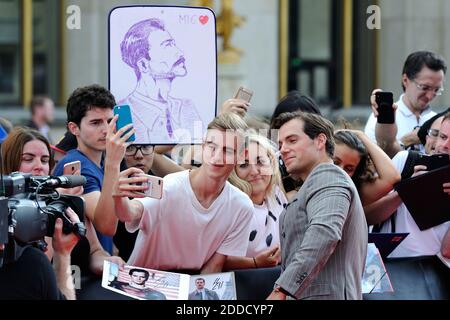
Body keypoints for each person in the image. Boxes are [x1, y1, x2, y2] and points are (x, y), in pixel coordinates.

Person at [111, 113, 254, 272]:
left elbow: (214, 266)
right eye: (212, 147)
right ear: (203, 146)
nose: (217, 156)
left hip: (192, 285)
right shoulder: (172, 185)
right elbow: (129, 213)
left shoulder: (242, 206)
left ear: (242, 156)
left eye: (227, 150)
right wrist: (118, 196)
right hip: (143, 280)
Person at [268, 112, 367, 300]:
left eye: (292, 140)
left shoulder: (328, 175)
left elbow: (325, 234)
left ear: (320, 140)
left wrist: (281, 290)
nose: (283, 149)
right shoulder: (317, 181)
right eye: (281, 144)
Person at [0, 126, 124, 277]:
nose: (39, 166)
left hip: (79, 287)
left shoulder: (66, 200)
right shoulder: (6, 211)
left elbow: (95, 250)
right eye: (28, 159)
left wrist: (107, 262)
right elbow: (38, 270)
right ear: (9, 163)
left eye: (45, 160)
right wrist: (49, 207)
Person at [366, 113, 450, 258]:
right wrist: (407, 189)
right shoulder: (406, 160)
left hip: (437, 274)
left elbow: (447, 251)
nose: (444, 145)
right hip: (391, 270)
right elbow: (367, 216)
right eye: (442, 137)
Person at [119, 18, 204, 144]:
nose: (180, 52)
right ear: (143, 65)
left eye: (173, 44)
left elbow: (198, 159)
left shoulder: (186, 107)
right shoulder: (123, 112)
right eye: (167, 45)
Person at [365, 51, 447, 157]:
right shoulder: (382, 119)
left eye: (437, 89)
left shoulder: (440, 121)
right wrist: (406, 141)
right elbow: (372, 161)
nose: (430, 96)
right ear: (405, 80)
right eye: (425, 88)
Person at [225, 133, 287, 270]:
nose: (254, 171)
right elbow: (215, 259)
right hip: (242, 283)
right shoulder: (229, 205)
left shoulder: (276, 195)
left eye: (260, 162)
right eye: (243, 165)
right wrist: (255, 262)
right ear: (233, 171)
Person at [333, 130, 401, 208]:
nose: (340, 171)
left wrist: (361, 135)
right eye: (335, 162)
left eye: (349, 169)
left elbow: (392, 177)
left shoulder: (353, 193)